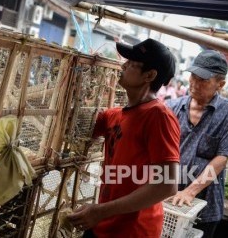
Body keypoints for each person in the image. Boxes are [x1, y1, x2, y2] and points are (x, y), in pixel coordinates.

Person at [67, 39, 180, 237]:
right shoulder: (115, 115)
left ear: (150, 75)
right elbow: (76, 124)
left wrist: (100, 211)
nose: (124, 65)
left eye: (132, 62)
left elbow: (167, 185)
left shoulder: (158, 116)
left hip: (133, 230)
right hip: (103, 223)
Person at [166, 50, 228, 238]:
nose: (194, 83)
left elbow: (222, 158)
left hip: (205, 201)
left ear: (220, 84)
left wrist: (189, 192)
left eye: (203, 79)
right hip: (168, 195)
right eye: (193, 76)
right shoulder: (172, 107)